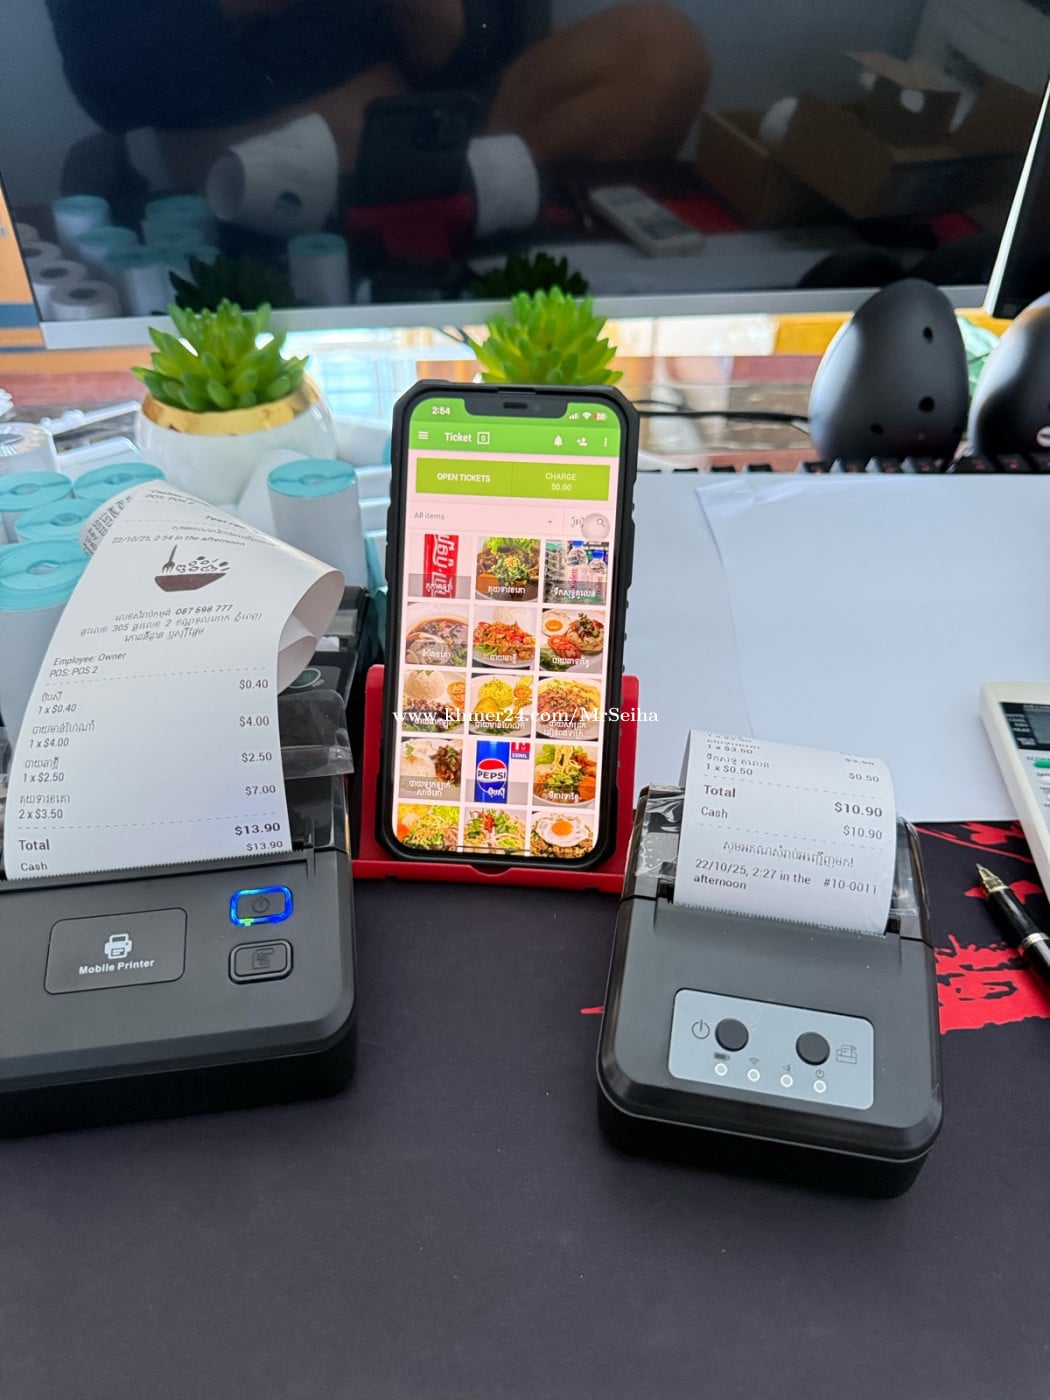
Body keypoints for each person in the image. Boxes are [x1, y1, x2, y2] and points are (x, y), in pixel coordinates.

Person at [46, 0, 710, 188]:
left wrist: (430, 12)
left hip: (453, 150)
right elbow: (110, 83)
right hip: (254, 190)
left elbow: (490, 47)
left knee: (661, 49)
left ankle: (477, 210)